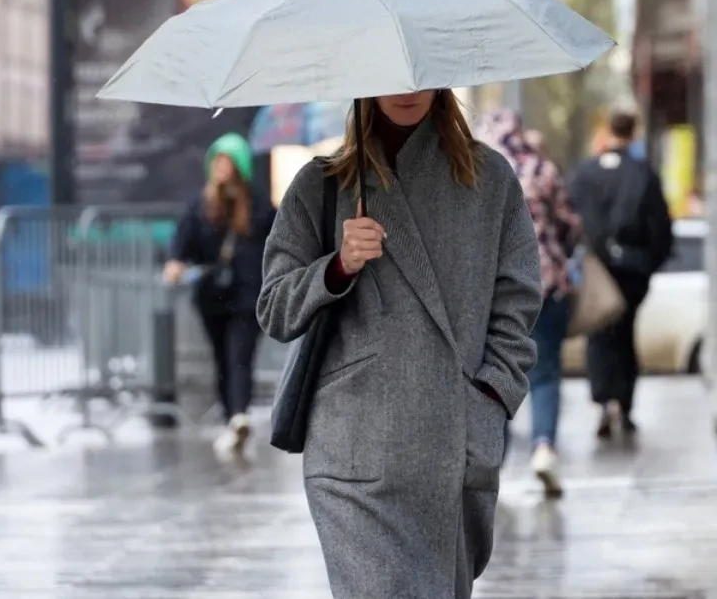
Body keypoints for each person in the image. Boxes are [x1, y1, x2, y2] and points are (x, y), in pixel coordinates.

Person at [256, 89, 542, 598]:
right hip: (352, 457)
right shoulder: (321, 185)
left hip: (452, 447)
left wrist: (490, 401)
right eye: (389, 77)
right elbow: (274, 309)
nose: (406, 90)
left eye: (420, 76)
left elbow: (517, 305)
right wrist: (338, 265)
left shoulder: (490, 180)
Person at [474, 109, 581, 497]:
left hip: (490, 292)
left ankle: (492, 461)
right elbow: (569, 223)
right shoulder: (541, 169)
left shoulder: (474, 173)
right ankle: (543, 448)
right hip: (545, 285)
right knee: (546, 371)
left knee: (493, 371)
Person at [163, 133, 276, 458]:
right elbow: (181, 244)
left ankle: (238, 414)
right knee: (221, 359)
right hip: (212, 297)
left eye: (227, 161)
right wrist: (176, 263)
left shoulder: (257, 205)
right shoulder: (200, 206)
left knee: (239, 356)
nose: (221, 167)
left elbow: (277, 242)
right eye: (217, 160)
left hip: (248, 296)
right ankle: (232, 419)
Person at [568, 111, 674, 438]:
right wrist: (648, 264)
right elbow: (661, 230)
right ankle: (625, 404)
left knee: (599, 336)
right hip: (632, 270)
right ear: (634, 132)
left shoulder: (582, 174)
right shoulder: (644, 174)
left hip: (595, 270)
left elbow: (567, 219)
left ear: (606, 131)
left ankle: (603, 401)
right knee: (626, 335)